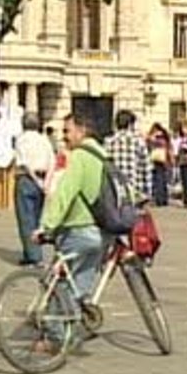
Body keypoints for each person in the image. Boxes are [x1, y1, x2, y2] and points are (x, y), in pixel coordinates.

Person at [34, 112, 107, 349]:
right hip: (101, 232)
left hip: (78, 230)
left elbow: (65, 193)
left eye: (67, 131)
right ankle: (74, 330)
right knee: (81, 284)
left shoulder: (80, 157)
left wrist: (46, 227)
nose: (64, 137)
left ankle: (56, 339)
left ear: (81, 131)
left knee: (59, 283)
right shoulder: (104, 155)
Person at [14, 113, 55, 267]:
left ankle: (33, 256)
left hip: (27, 179)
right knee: (37, 218)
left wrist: (36, 180)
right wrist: (46, 182)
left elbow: (25, 163)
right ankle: (30, 252)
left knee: (26, 218)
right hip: (43, 177)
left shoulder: (21, 139)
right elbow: (52, 161)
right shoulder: (44, 140)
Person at [105, 110, 152, 202]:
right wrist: (148, 192)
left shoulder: (108, 142)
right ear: (130, 124)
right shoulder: (138, 142)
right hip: (134, 191)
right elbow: (146, 167)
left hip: (114, 190)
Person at [147, 123, 172, 207]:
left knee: (157, 180)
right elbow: (168, 148)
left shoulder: (153, 137)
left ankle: (158, 199)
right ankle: (164, 199)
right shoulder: (165, 137)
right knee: (163, 180)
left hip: (156, 159)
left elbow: (149, 145)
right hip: (164, 160)